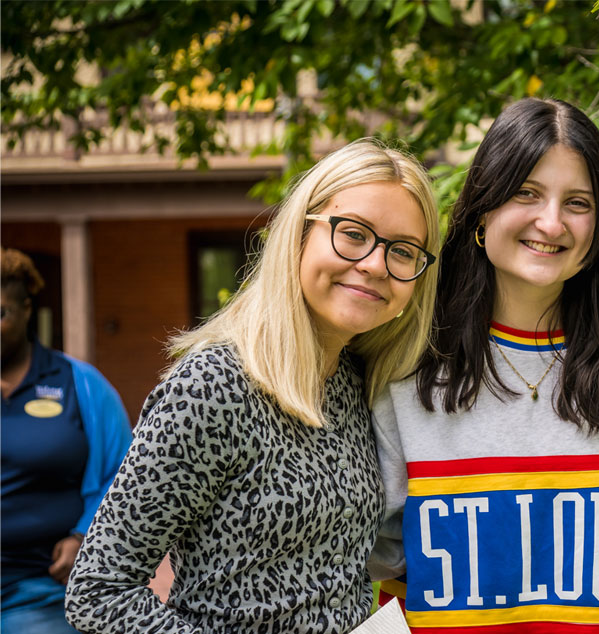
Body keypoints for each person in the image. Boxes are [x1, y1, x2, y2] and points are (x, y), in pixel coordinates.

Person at [64, 138, 441, 633]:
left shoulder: (354, 383)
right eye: (354, 234)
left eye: (403, 251)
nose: (375, 264)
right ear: (301, 232)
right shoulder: (213, 387)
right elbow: (99, 591)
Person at [369, 98, 599, 632]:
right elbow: (370, 565)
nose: (550, 223)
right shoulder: (405, 369)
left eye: (578, 203)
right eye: (526, 192)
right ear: (484, 208)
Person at [1, 248, 132, 634]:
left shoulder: (81, 384)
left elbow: (126, 476)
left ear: (27, 309)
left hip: (40, 591)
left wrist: (83, 535)